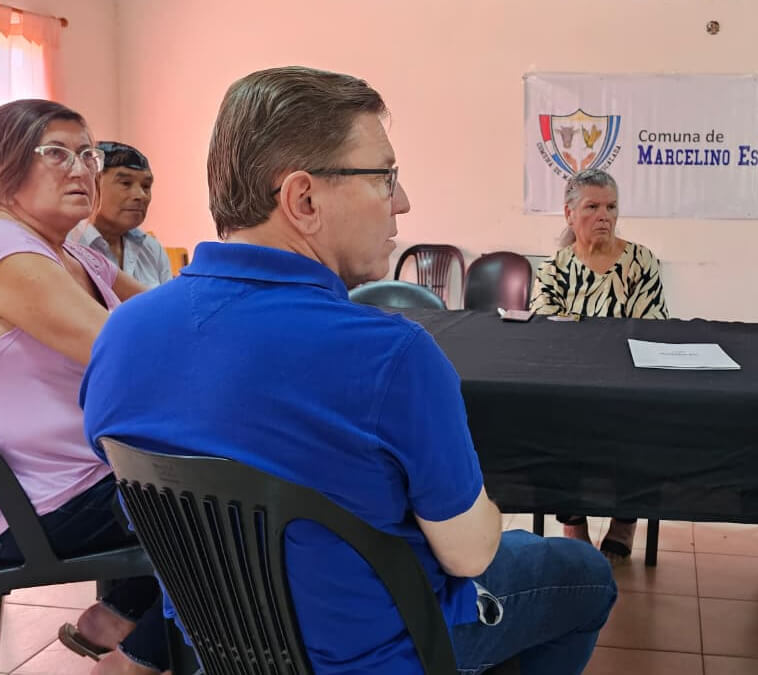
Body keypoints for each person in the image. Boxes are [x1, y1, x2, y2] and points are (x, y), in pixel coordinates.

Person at [81, 66, 616, 675]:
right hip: (382, 653)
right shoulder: (391, 354)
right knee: (584, 574)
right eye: (385, 177)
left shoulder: (122, 333)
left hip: (216, 649)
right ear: (304, 199)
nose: (402, 201)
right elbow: (470, 557)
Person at [0, 99, 169, 675]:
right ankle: (137, 657)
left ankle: (117, 620)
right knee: (238, 499)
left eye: (87, 154)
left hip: (91, 477)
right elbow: (129, 356)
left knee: (242, 480)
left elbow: (164, 313)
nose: (80, 169)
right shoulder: (11, 257)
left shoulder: (74, 254)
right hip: (43, 502)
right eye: (56, 153)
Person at [529, 168, 668, 563]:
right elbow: (546, 328)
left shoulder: (641, 261)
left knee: (643, 424)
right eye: (592, 207)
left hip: (629, 380)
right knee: (554, 421)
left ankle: (625, 520)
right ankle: (574, 521)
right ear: (569, 213)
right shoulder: (555, 267)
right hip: (571, 379)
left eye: (611, 207)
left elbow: (651, 326)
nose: (604, 216)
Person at [69, 141, 171, 288]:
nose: (140, 195)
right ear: (93, 183)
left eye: (146, 186)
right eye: (126, 183)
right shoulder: (67, 244)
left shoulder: (151, 249)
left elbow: (168, 301)